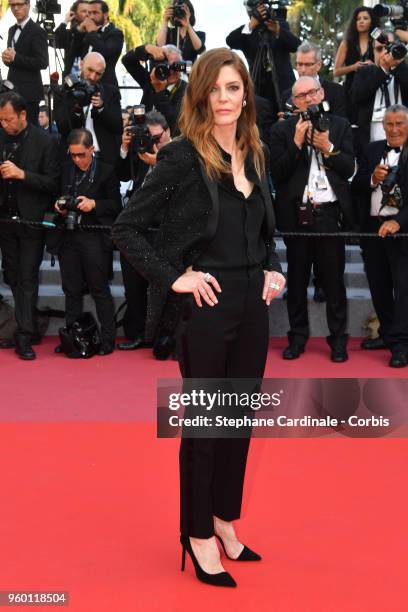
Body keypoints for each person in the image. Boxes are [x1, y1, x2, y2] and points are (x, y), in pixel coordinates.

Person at [113, 48, 285, 587]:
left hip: (252, 305)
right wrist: (177, 277)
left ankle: (222, 519)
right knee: (207, 427)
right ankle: (196, 533)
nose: (225, 99)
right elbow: (126, 229)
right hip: (205, 305)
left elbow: (262, 234)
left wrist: (273, 270)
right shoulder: (183, 157)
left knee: (239, 424)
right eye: (215, 89)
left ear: (246, 96)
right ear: (200, 95)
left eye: (234, 88)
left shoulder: (254, 155)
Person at [269, 76, 356, 362]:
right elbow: (278, 175)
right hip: (296, 216)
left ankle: (339, 339)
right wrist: (296, 144)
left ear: (321, 93)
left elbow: (348, 171)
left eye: (312, 92)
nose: (308, 99)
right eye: (301, 95)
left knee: (333, 282)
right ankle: (297, 336)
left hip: (329, 214)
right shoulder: (281, 130)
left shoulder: (341, 126)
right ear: (293, 101)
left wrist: (328, 147)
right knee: (296, 281)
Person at [0, 92, 60, 360]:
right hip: (5, 221)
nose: (4, 124)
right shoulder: (0, 136)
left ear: (23, 115)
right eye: (0, 120)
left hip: (31, 222)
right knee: (12, 276)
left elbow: (53, 183)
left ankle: (24, 336)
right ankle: (27, 326)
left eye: (8, 119)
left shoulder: (45, 142)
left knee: (27, 278)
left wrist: (22, 174)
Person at [52, 128, 122, 355]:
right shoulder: (65, 170)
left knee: (99, 289)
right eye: (72, 155)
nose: (77, 159)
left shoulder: (106, 171)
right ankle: (71, 338)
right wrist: (59, 206)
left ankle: (108, 340)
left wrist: (95, 204)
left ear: (92, 149)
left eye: (81, 154)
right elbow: (56, 195)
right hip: (69, 236)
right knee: (71, 290)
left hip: (94, 237)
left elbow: (116, 205)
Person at [352, 104, 408, 368]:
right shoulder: (373, 149)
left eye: (400, 124)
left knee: (404, 289)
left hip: (403, 231)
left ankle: (401, 344)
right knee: (379, 286)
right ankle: (387, 334)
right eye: (389, 124)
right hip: (373, 229)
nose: (394, 129)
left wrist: (398, 221)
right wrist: (372, 178)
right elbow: (357, 185)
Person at [116, 110, 174, 357]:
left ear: (167, 131)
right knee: (133, 283)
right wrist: (125, 148)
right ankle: (137, 332)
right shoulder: (142, 150)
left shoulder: (178, 152)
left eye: (157, 137)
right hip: (138, 229)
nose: (153, 142)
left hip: (166, 230)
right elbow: (123, 176)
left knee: (163, 284)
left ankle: (163, 335)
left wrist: (158, 162)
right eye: (149, 137)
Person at [226, 2, 300, 121]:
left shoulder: (280, 25)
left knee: (287, 123)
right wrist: (251, 25)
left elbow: (296, 45)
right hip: (258, 87)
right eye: (259, 7)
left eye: (264, 6)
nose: (262, 10)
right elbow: (230, 41)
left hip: (284, 87)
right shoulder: (248, 32)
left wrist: (278, 31)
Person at [53, 52, 122, 166]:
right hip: (73, 160)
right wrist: (77, 108)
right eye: (90, 70)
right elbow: (62, 128)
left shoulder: (110, 92)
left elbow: (118, 126)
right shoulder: (65, 91)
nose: (93, 76)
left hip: (102, 160)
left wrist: (101, 108)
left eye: (98, 73)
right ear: (81, 64)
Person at [351, 31, 408, 160]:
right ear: (373, 52)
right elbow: (356, 97)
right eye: (379, 49)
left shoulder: (404, 71)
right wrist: (383, 70)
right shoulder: (364, 72)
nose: (384, 52)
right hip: (371, 142)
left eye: (389, 48)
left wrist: (398, 64)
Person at [122, 43, 187, 136]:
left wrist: (159, 92)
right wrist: (146, 49)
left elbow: (176, 127)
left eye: (176, 66)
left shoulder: (188, 91)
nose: (171, 70)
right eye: (166, 65)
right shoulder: (151, 80)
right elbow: (127, 60)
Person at [2, 0, 49, 125]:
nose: (16, 8)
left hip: (29, 93)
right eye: (12, 5)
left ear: (28, 5)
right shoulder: (12, 29)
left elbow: (42, 62)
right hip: (12, 90)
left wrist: (15, 58)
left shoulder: (38, 31)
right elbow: (13, 60)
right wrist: (6, 59)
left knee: (29, 133)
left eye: (19, 4)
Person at [334, 6, 379, 124]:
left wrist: (372, 64)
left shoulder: (376, 41)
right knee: (352, 125)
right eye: (358, 19)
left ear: (372, 22)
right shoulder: (346, 43)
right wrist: (353, 67)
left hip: (371, 89)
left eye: (365, 18)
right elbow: (336, 71)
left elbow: (381, 67)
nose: (361, 21)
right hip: (351, 90)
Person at [282, 41, 346, 119]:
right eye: (299, 64)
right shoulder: (286, 95)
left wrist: (308, 115)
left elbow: (341, 125)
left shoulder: (336, 91)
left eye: (308, 65)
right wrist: (284, 123)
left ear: (319, 65)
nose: (303, 70)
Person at [79, 0, 124, 89]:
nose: (91, 16)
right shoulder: (87, 33)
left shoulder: (115, 33)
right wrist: (79, 32)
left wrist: (92, 32)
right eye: (89, 13)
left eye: (95, 13)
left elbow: (105, 52)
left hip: (106, 89)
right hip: (84, 86)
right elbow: (73, 54)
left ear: (105, 14)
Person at [54, 0, 90, 77]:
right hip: (71, 79)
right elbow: (56, 41)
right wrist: (65, 21)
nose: (87, 14)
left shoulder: (95, 33)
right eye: (84, 11)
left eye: (89, 12)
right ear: (75, 15)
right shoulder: (70, 33)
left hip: (90, 78)